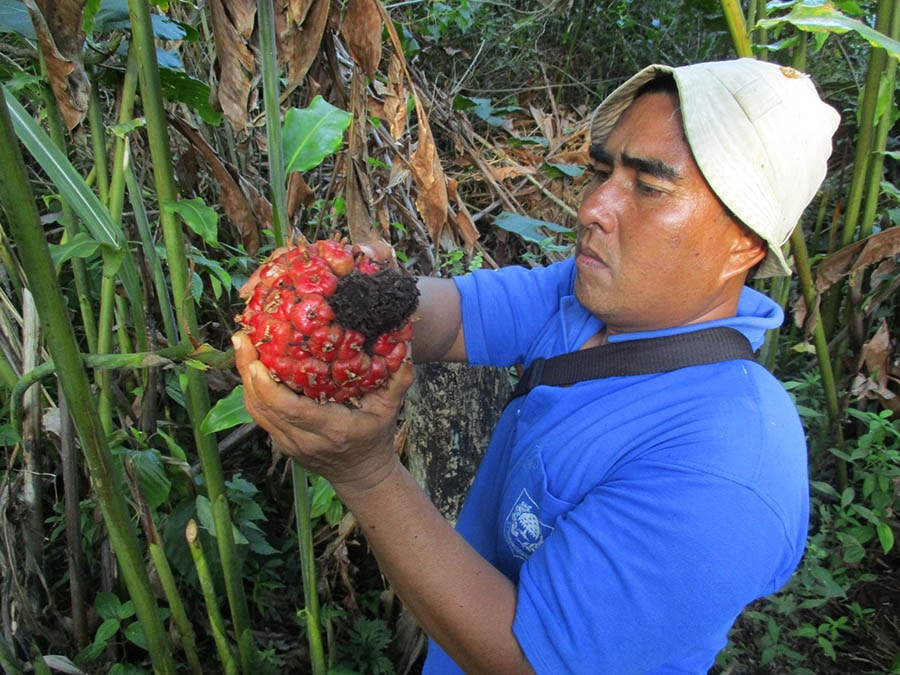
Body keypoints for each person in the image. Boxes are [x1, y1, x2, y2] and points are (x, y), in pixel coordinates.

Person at [233, 58, 840, 673]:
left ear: (745, 241)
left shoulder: (728, 466)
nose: (593, 208)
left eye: (649, 188)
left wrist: (364, 474)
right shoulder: (591, 300)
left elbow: (527, 661)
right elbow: (460, 317)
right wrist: (358, 299)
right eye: (602, 171)